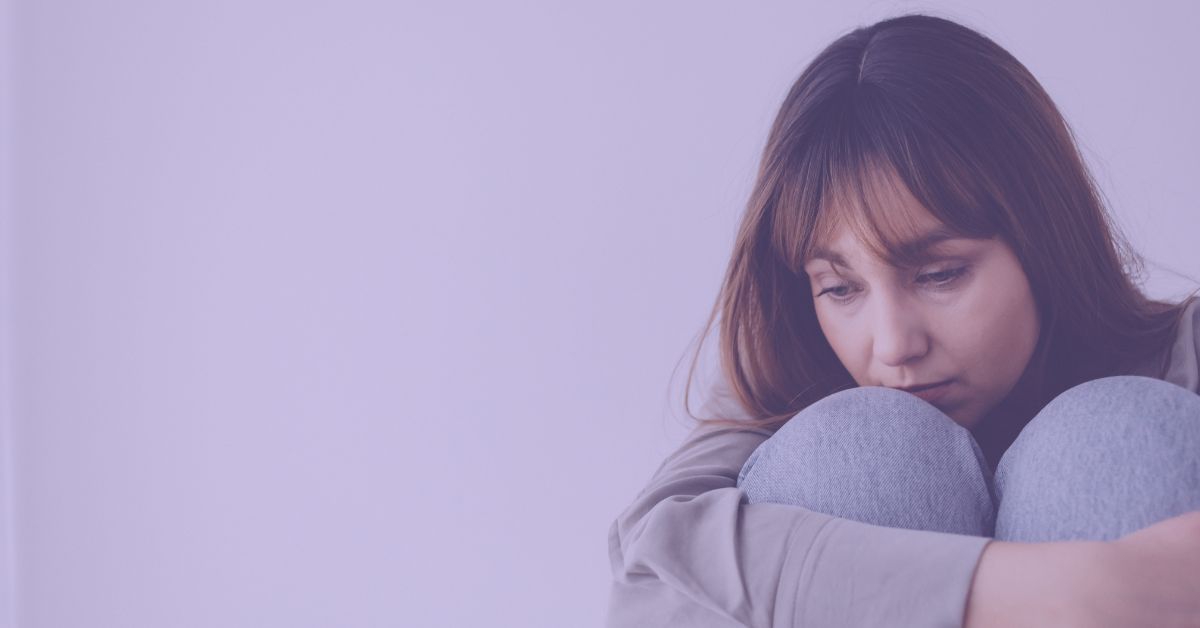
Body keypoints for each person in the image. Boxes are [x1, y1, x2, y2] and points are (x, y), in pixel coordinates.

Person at [605, 12, 1200, 627]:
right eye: (839, 288)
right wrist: (1058, 589)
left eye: (940, 274)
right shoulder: (781, 382)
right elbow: (647, 583)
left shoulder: (1185, 353)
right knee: (855, 451)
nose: (893, 346)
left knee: (1116, 438)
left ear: (1044, 239)